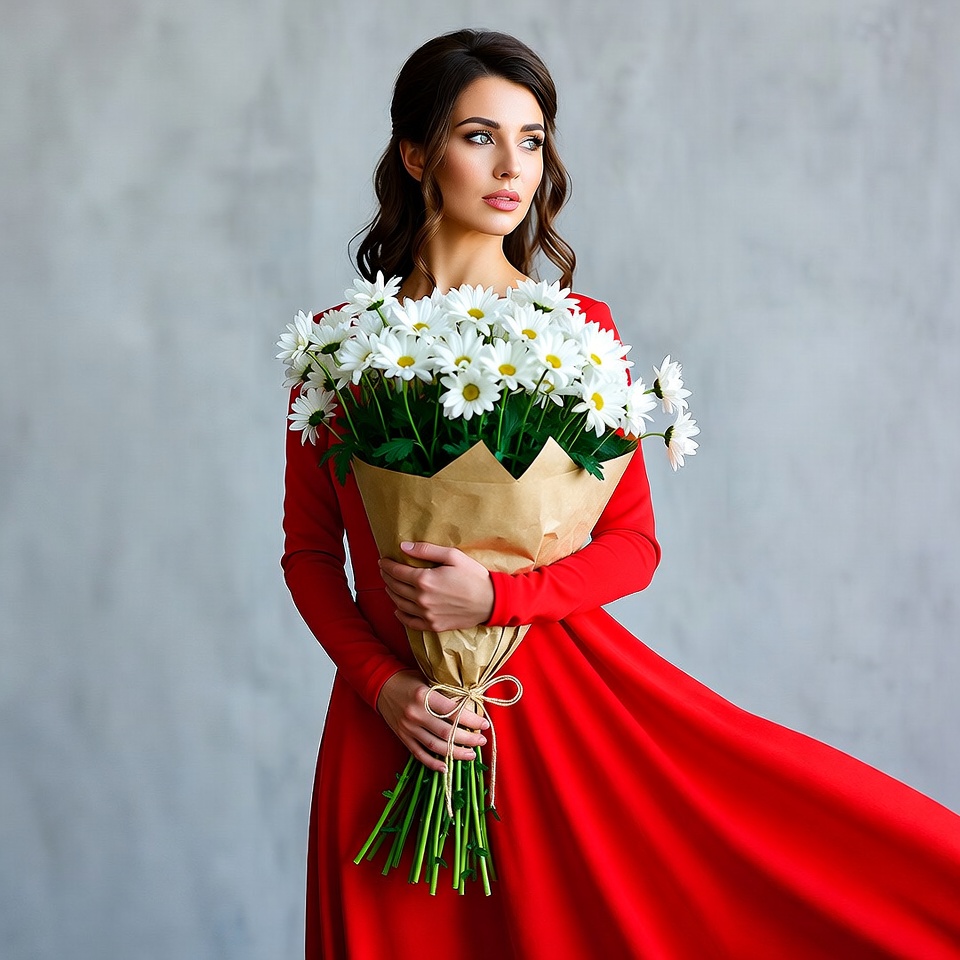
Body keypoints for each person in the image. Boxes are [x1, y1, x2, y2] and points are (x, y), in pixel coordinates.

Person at [282, 28, 960, 960]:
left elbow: (633, 546)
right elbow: (312, 554)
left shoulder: (578, 332)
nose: (511, 165)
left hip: (552, 709)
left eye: (532, 139)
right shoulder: (335, 345)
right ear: (414, 153)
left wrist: (498, 596)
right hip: (396, 727)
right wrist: (387, 686)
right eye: (480, 136)